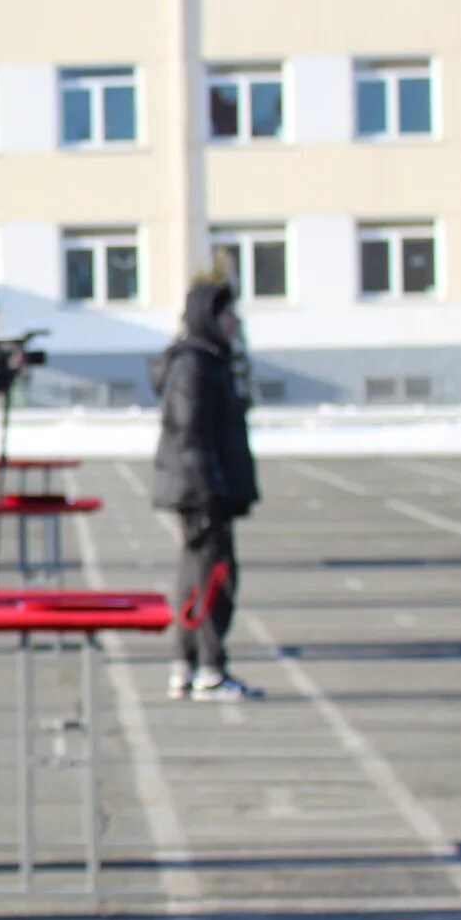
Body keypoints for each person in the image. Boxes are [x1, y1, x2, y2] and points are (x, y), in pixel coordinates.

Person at [154, 278, 264, 701]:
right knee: (214, 578)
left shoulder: (211, 361)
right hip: (201, 491)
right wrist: (209, 489)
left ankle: (188, 663)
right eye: (227, 314)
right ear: (208, 317)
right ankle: (209, 667)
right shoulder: (195, 365)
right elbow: (191, 433)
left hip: (201, 487)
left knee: (198, 575)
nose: (235, 322)